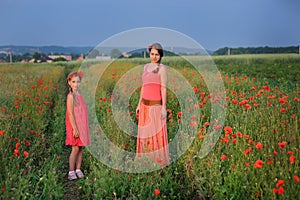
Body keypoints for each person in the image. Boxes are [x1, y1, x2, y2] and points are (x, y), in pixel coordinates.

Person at [135, 43, 170, 166]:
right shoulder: (145, 67)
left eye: (157, 54)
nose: (154, 57)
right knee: (145, 135)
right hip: (144, 106)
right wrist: (139, 104)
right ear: (149, 54)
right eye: (152, 54)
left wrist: (164, 108)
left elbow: (163, 89)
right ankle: (144, 161)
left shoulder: (162, 69)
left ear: (160, 56)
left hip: (155, 107)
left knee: (155, 135)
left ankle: (156, 162)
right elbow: (143, 87)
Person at [65, 71, 90, 180]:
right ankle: (71, 171)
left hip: (81, 125)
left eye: (78, 82)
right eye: (73, 82)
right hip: (74, 126)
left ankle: (78, 169)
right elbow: (70, 113)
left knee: (80, 148)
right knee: (75, 148)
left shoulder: (80, 95)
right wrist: (75, 129)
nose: (76, 84)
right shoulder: (71, 96)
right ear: (69, 83)